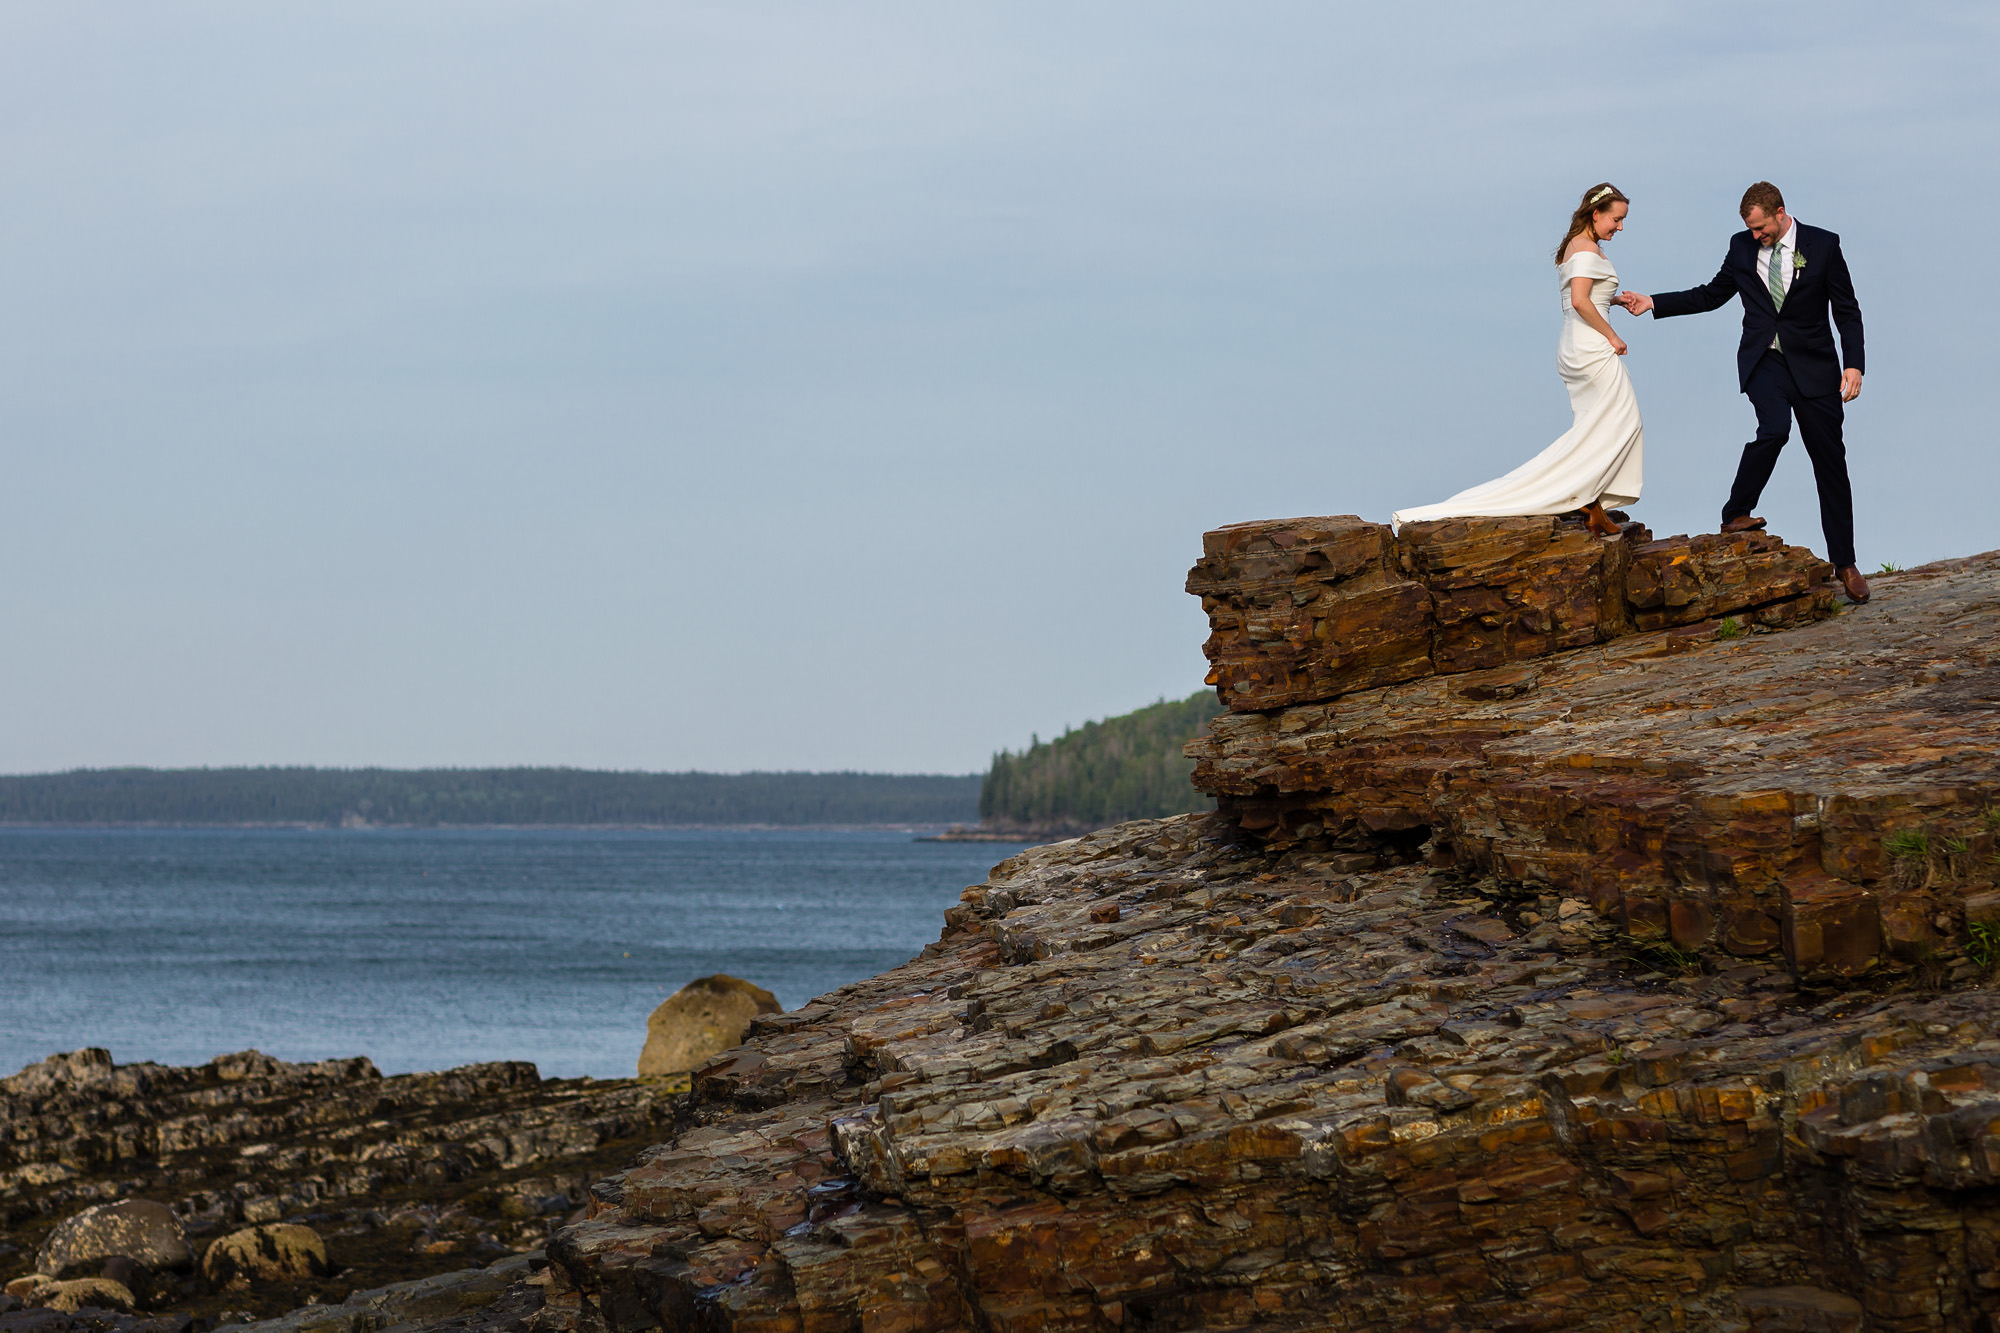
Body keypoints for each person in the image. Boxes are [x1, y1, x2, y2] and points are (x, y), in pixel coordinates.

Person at [1619, 182, 1870, 602]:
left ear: (1780, 212)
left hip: (1815, 369)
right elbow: (1712, 294)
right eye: (1751, 230)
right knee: (1774, 430)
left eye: (1761, 229)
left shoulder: (1824, 245)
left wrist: (1854, 364)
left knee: (1830, 462)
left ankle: (1845, 563)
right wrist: (1654, 303)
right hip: (1764, 362)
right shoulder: (1740, 248)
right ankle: (1736, 512)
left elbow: (1846, 309)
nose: (1757, 237)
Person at [1394, 182, 1645, 536]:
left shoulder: (1577, 247)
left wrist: (1613, 300)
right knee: (1623, 422)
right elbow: (1579, 301)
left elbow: (1586, 297)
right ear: (1596, 214)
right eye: (1616, 220)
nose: (1620, 227)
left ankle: (1591, 501)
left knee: (1599, 425)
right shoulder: (1587, 250)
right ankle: (1582, 496)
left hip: (1576, 346)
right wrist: (1612, 335)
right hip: (1591, 348)